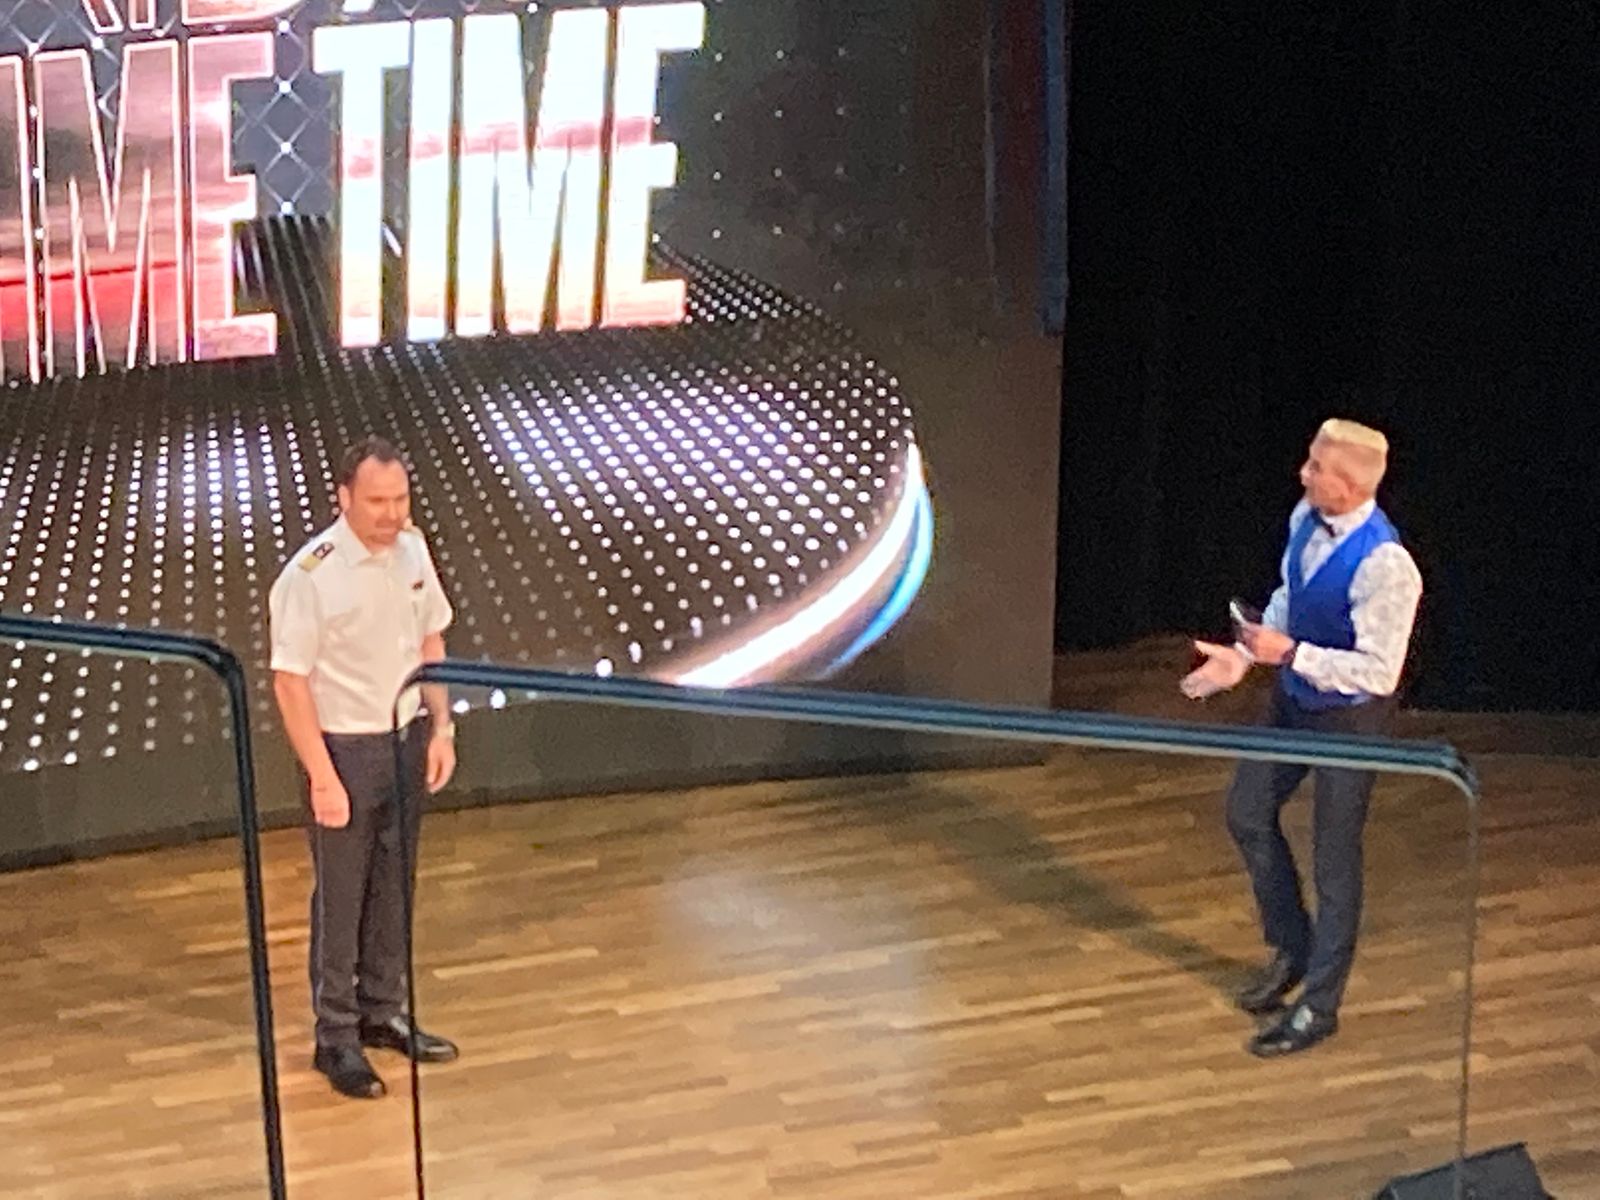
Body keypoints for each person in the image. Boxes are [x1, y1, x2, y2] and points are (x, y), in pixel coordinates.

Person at [1180, 418, 1423, 1057]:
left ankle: (1320, 1005)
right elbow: (1292, 594)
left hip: (1350, 719)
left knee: (1334, 859)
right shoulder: (1304, 517)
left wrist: (1291, 653)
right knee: (1248, 811)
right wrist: (1246, 655)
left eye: (1317, 468)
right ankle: (1293, 948)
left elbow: (1379, 671)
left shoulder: (1387, 567)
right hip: (1294, 699)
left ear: (1350, 485)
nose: (1303, 473)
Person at [268, 435, 460, 1099]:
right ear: (344, 498)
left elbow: (431, 640)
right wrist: (322, 775)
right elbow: (290, 681)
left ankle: (384, 1011)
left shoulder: (413, 550)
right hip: (344, 750)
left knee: (394, 885)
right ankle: (336, 1037)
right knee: (342, 896)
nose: (391, 513)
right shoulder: (310, 577)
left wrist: (442, 725)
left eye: (400, 499)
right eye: (377, 501)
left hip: (405, 738)